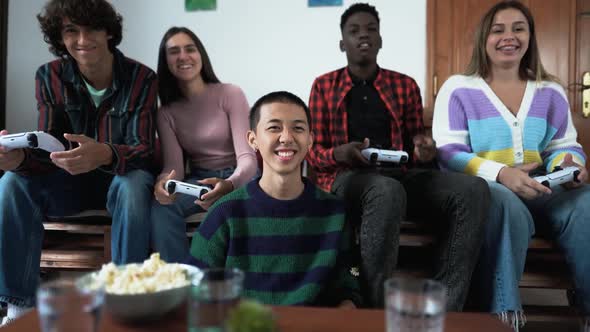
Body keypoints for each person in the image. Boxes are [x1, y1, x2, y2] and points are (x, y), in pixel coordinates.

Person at [306, 2, 490, 309]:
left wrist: (423, 148)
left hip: (399, 176)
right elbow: (312, 153)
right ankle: (375, 310)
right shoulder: (324, 86)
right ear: (342, 43)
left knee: (473, 190)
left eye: (370, 30)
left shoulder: (404, 85)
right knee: (385, 191)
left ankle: (446, 307)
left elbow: (416, 145)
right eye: (354, 31)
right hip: (346, 179)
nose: (363, 36)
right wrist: (342, 152)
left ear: (380, 40)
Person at [432, 1, 590, 330]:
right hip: (489, 192)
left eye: (519, 28)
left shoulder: (551, 90)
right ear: (484, 39)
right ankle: (503, 317)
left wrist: (570, 165)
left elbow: (564, 145)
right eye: (498, 29)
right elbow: (449, 152)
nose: (509, 36)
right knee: (506, 203)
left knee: (587, 201)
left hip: (543, 190)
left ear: (530, 36)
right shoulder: (458, 88)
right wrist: (502, 174)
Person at [0, 0, 157, 324]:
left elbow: (145, 150)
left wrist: (106, 153)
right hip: (66, 184)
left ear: (108, 32)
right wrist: (18, 160)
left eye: (92, 29)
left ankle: (126, 300)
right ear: (60, 37)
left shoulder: (142, 77)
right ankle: (19, 306)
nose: (83, 40)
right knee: (11, 182)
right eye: (72, 31)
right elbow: (46, 148)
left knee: (134, 182)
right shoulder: (49, 75)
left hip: (119, 181)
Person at [188, 91, 362, 307]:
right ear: (253, 140)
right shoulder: (224, 214)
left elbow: (349, 285)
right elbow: (195, 292)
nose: (287, 138)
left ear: (310, 140)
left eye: (298, 128)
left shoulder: (335, 213)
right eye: (274, 127)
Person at [150, 27, 257, 263]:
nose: (183, 56)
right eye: (174, 51)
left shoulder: (230, 93)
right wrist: (162, 183)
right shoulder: (166, 112)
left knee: (232, 210)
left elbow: (248, 158)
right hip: (200, 182)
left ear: (201, 55)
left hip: (240, 177)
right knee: (161, 208)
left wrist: (229, 184)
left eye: (190, 49)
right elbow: (173, 166)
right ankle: (178, 282)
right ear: (165, 61)